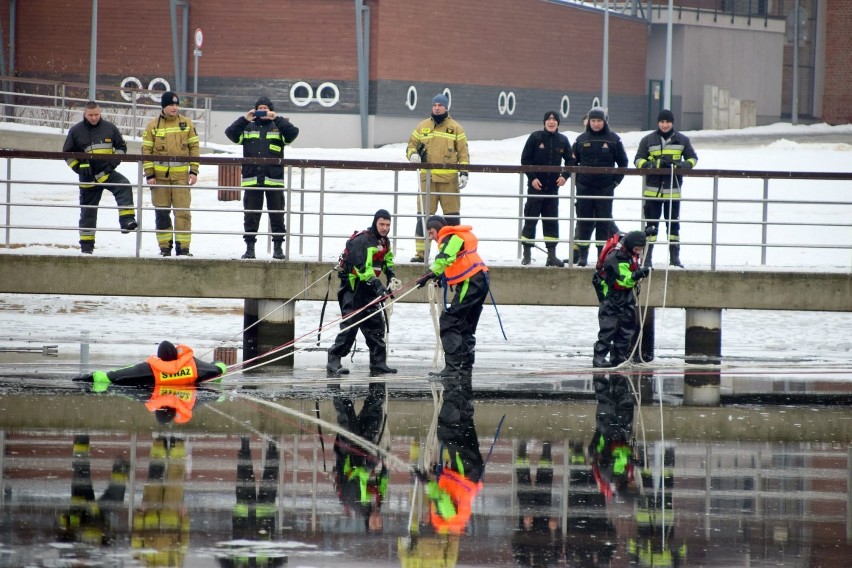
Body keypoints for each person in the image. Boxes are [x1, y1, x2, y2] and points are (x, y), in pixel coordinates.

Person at [416, 215, 489, 388]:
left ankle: (452, 368)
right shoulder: (455, 237)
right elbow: (453, 261)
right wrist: (440, 276)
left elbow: (444, 258)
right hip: (480, 280)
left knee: (449, 321)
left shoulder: (450, 237)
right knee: (465, 324)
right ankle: (465, 365)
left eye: (431, 232)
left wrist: (427, 275)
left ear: (438, 229)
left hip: (471, 282)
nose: (432, 237)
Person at [225, 96, 299, 261]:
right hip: (252, 180)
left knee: (277, 215)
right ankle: (250, 248)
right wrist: (245, 118)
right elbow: (230, 133)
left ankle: (278, 248)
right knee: (251, 215)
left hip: (274, 180)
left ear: (271, 110)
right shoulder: (247, 127)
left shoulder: (278, 127)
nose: (263, 111)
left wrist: (276, 118)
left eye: (266, 108)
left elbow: (293, 133)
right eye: (260, 108)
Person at [326, 209, 398, 376]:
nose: (385, 228)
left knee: (376, 326)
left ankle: (378, 362)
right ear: (375, 223)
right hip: (353, 289)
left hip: (369, 290)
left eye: (387, 225)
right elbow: (363, 268)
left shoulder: (385, 242)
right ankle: (334, 358)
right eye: (382, 224)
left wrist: (391, 276)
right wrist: (377, 285)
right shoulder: (364, 241)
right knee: (350, 326)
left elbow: (387, 261)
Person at [62, 101, 137, 254]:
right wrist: (79, 168)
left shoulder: (110, 128)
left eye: (97, 114)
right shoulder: (75, 131)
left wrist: (112, 164)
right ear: (84, 114)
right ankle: (87, 247)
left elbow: (121, 147)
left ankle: (127, 221)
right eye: (91, 115)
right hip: (87, 178)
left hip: (107, 173)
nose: (94, 118)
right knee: (88, 212)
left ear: (100, 113)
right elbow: (67, 154)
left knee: (124, 186)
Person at [406, 93, 470, 263]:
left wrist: (464, 172)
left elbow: (463, 153)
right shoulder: (422, 126)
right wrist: (412, 154)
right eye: (434, 105)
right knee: (423, 217)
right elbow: (410, 145)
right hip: (427, 181)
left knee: (452, 219)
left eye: (440, 105)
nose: (437, 107)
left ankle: (454, 253)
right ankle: (421, 254)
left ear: (446, 107)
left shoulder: (456, 128)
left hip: (449, 182)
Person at [634, 109, 699, 268]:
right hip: (652, 191)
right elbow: (637, 161)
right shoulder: (648, 140)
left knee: (673, 225)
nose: (665, 125)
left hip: (673, 191)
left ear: (672, 122)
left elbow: (693, 158)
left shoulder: (682, 140)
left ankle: (674, 258)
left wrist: (681, 166)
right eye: (662, 122)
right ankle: (647, 258)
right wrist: (654, 165)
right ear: (658, 123)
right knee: (651, 226)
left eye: (667, 122)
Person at [142, 91, 200, 257]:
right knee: (162, 214)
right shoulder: (153, 125)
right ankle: (164, 248)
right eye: (171, 104)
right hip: (159, 180)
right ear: (163, 106)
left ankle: (183, 249)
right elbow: (146, 150)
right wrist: (150, 175)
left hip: (181, 178)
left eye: (176, 104)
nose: (174, 107)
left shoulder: (187, 123)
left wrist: (194, 170)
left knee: (183, 213)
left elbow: (194, 148)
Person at [571, 106, 629, 267]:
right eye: (593, 121)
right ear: (589, 122)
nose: (596, 124)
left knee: (603, 224)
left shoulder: (614, 139)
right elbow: (572, 163)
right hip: (584, 188)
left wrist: (615, 182)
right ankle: (583, 256)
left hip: (605, 188)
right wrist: (578, 182)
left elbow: (623, 163)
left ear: (605, 122)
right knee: (584, 222)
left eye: (599, 121)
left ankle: (601, 256)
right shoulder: (581, 139)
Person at [519, 110, 575, 267]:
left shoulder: (563, 140)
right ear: (544, 122)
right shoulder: (535, 137)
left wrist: (565, 176)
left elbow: (571, 161)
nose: (551, 122)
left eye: (554, 119)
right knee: (530, 221)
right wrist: (533, 179)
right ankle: (527, 254)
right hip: (536, 188)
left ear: (558, 123)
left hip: (552, 189)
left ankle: (551, 255)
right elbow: (525, 160)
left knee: (551, 222)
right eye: (549, 119)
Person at [332, 382, 388, 533]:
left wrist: (368, 468)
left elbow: (356, 477)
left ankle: (334, 378)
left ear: (367, 522)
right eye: (380, 523)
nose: (377, 520)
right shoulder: (377, 503)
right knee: (374, 414)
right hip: (365, 452)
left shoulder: (359, 504)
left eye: (374, 524)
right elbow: (382, 483)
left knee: (346, 413)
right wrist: (385, 469)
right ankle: (377, 378)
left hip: (348, 454)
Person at [592, 231, 651, 367]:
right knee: (609, 326)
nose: (639, 251)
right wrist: (637, 275)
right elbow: (622, 280)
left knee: (627, 326)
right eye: (637, 249)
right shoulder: (615, 257)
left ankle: (619, 356)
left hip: (626, 294)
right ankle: (599, 357)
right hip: (611, 294)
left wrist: (645, 233)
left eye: (640, 249)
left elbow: (632, 235)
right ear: (631, 246)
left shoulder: (629, 250)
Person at [75, 340, 227, 391]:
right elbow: (218, 369)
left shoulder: (150, 368)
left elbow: (112, 376)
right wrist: (219, 366)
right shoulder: (194, 366)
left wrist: (90, 377)